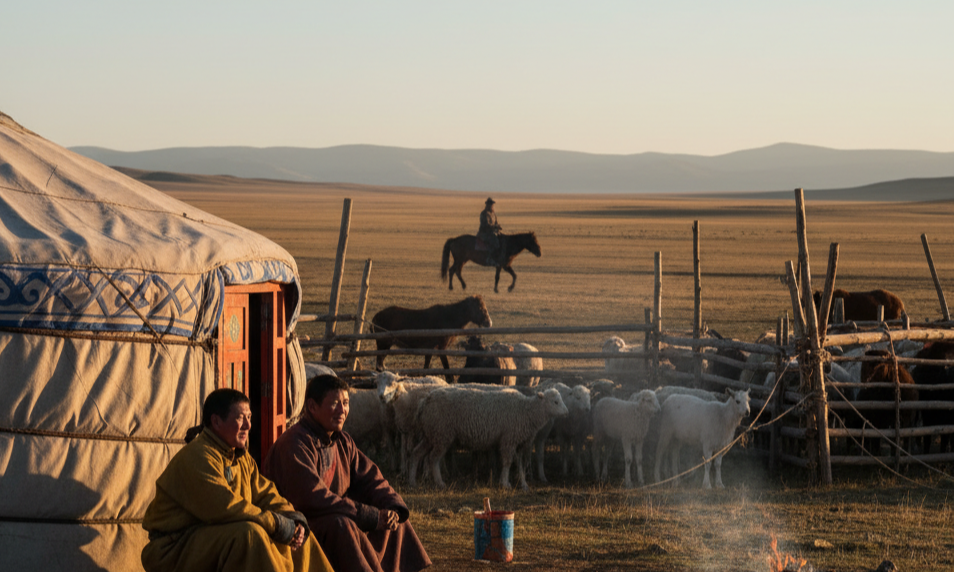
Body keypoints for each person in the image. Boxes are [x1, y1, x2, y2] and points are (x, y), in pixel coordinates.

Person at [141, 388, 333, 572]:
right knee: (249, 534)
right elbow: (225, 507)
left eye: (249, 418)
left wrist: (291, 518)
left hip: (210, 536)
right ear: (216, 422)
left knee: (300, 538)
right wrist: (277, 524)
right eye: (241, 418)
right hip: (174, 547)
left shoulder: (240, 457)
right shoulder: (198, 457)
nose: (248, 426)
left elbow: (266, 494)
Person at [263, 374, 431, 572]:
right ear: (312, 406)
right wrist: (369, 515)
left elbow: (371, 478)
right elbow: (314, 498)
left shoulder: (342, 440)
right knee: (343, 524)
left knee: (394, 522)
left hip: (338, 513)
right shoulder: (294, 444)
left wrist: (391, 506)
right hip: (303, 522)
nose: (342, 411)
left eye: (345, 403)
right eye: (335, 404)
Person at [477, 197, 505, 267]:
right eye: (490, 204)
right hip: (484, 233)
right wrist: (494, 227)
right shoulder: (484, 214)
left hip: (492, 232)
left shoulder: (493, 214)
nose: (491, 206)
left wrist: (498, 227)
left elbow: (495, 223)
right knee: (495, 242)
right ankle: (489, 258)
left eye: (492, 205)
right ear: (487, 205)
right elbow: (486, 225)